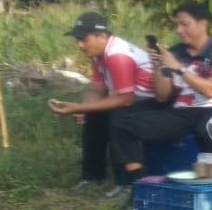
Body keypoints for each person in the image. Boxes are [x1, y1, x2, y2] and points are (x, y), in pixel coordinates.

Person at [109, 2, 212, 210]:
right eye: (177, 25)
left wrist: (177, 68)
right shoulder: (175, 52)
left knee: (205, 128)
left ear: (203, 23)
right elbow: (162, 96)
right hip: (181, 111)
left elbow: (210, 91)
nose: (179, 30)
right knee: (122, 126)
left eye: (185, 24)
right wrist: (158, 66)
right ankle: (142, 188)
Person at [46, 12, 160, 196]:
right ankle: (92, 177)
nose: (79, 45)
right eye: (77, 39)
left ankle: (127, 182)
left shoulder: (117, 55)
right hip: (135, 101)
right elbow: (98, 88)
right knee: (94, 115)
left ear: (101, 36)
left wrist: (79, 107)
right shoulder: (99, 54)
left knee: (119, 117)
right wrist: (83, 109)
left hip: (153, 103)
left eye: (84, 39)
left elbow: (125, 99)